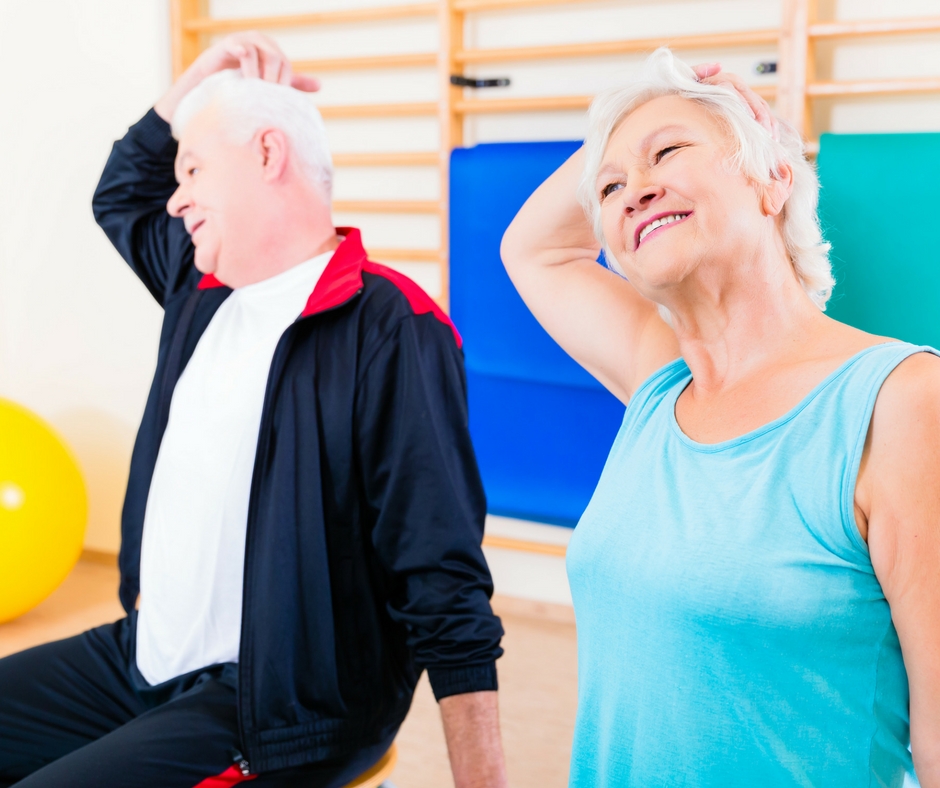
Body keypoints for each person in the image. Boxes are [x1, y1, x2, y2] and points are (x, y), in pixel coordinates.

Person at [0, 33, 508, 788]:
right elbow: (120, 190)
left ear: (269, 154)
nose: (176, 198)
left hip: (278, 703)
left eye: (195, 169)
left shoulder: (391, 328)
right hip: (142, 660)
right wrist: (199, 82)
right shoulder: (197, 286)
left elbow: (440, 573)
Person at [501, 47, 940, 787]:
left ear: (774, 178)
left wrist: (642, 125)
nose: (633, 190)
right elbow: (534, 248)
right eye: (609, 189)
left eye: (668, 151)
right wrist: (629, 119)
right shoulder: (657, 379)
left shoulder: (901, 402)